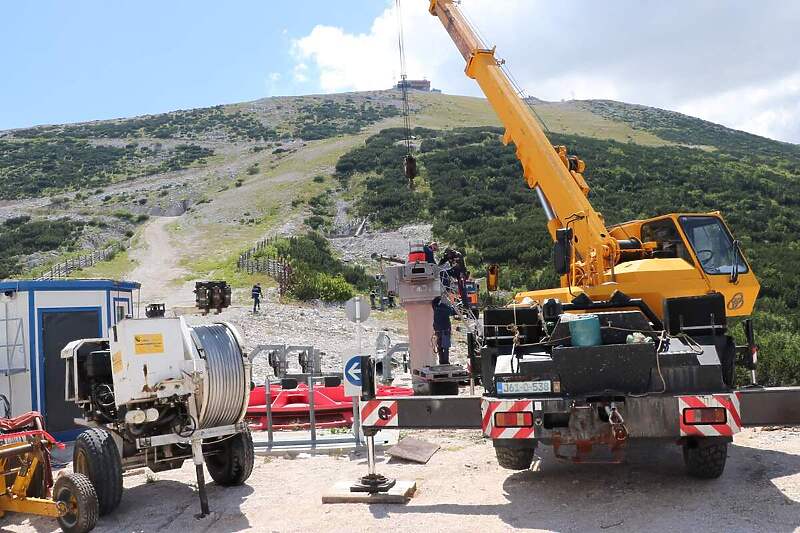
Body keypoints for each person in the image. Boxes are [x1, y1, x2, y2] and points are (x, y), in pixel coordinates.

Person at [432, 296, 457, 365]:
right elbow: (453, 312)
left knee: (439, 347)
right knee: (446, 347)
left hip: (437, 331)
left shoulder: (435, 307)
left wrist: (439, 297)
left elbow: (433, 302)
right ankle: (446, 362)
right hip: (445, 330)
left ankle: (441, 361)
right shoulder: (445, 308)